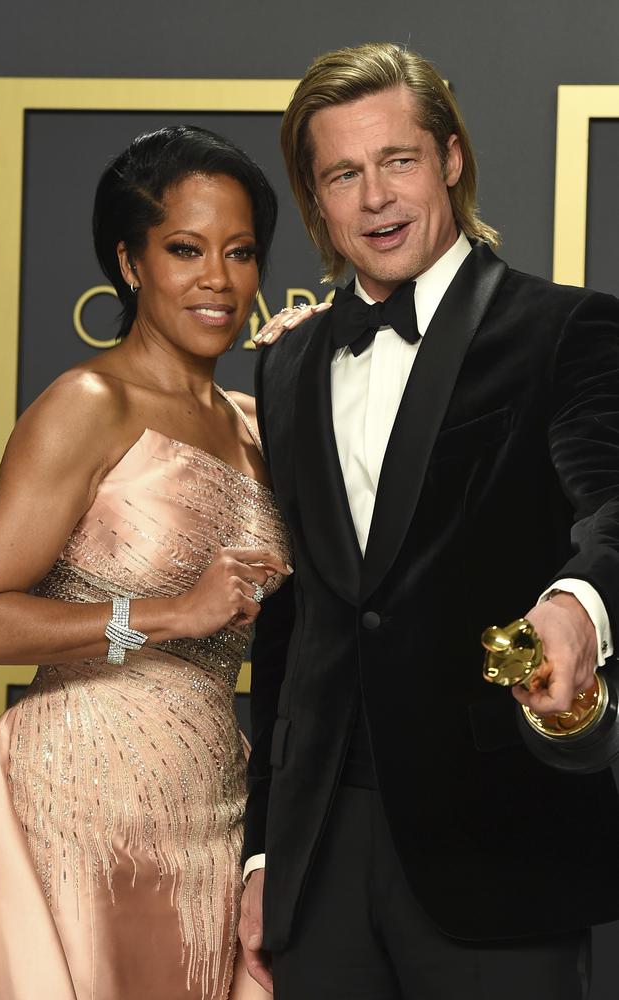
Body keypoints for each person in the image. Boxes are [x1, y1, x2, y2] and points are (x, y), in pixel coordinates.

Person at [238, 42, 619, 1000]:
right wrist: (261, 857)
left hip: (497, 848)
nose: (375, 198)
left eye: (398, 160)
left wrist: (578, 607)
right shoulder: (283, 368)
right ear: (316, 198)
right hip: (319, 859)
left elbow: (614, 510)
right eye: (343, 174)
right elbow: (292, 625)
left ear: (450, 159)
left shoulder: (564, 331)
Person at [0, 124, 290, 1000]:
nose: (218, 280)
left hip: (210, 810)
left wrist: (313, 372)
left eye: (241, 252)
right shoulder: (90, 403)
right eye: (185, 249)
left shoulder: (260, 428)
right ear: (130, 260)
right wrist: (160, 614)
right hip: (76, 804)